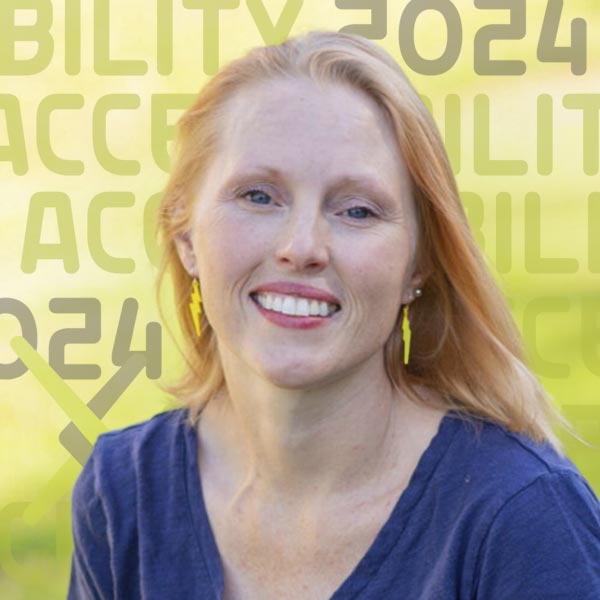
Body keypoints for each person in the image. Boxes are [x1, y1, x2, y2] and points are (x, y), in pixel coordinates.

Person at [68, 30, 600, 599]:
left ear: (418, 265)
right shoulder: (124, 493)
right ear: (186, 236)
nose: (302, 246)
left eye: (357, 210)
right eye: (258, 196)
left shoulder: (521, 518)